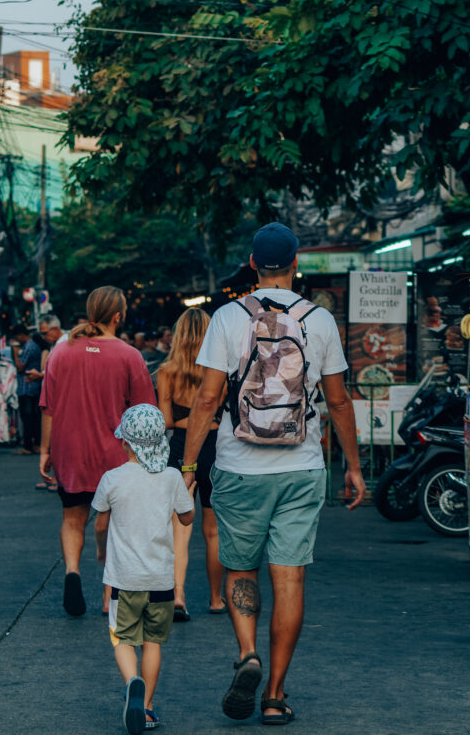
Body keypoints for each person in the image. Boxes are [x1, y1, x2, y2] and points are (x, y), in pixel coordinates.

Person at [182, 223, 366, 724]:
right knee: (290, 578)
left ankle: (248, 655)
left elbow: (206, 398)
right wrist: (352, 464)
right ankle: (275, 696)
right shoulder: (320, 321)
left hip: (239, 466)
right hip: (302, 467)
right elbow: (339, 400)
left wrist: (189, 466)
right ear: (295, 262)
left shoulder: (227, 318)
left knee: (241, 568)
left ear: (251, 261)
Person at [39, 286, 156, 617]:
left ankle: (72, 572)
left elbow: (47, 406)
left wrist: (45, 451)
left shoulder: (61, 352)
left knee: (72, 517)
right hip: (114, 453)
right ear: (118, 316)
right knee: (115, 524)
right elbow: (145, 412)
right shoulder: (130, 355)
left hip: (69, 448)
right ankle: (109, 596)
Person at [93, 404, 195, 734]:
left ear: (125, 442)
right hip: (162, 580)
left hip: (124, 578)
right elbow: (187, 517)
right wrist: (186, 494)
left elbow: (99, 524)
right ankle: (148, 707)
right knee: (153, 643)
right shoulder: (170, 478)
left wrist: (101, 551)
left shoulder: (112, 479)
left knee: (122, 638)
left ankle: (131, 681)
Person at [157, 308, 225, 619]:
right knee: (213, 532)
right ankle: (215, 599)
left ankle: (178, 595)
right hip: (213, 448)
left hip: (180, 450)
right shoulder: (219, 369)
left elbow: (166, 420)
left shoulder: (166, 371)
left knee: (178, 530)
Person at [11, 323, 43, 455]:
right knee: (33, 417)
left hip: (27, 387)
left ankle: (29, 445)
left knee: (28, 417)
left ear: (21, 335)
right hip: (30, 387)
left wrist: (14, 352)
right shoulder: (31, 346)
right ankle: (34, 444)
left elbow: (20, 367)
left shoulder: (29, 347)